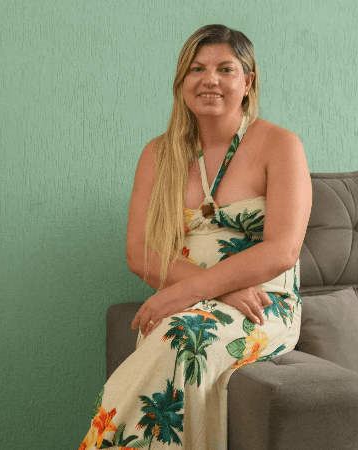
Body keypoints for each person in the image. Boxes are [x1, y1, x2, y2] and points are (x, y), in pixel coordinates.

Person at [78, 24, 312, 450]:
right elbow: (139, 252)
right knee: (175, 331)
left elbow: (283, 248)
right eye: (197, 68)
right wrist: (211, 292)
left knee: (183, 336)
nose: (210, 79)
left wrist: (187, 293)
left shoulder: (281, 145)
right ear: (182, 81)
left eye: (226, 68)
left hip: (263, 303)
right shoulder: (157, 154)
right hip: (193, 299)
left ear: (248, 81)